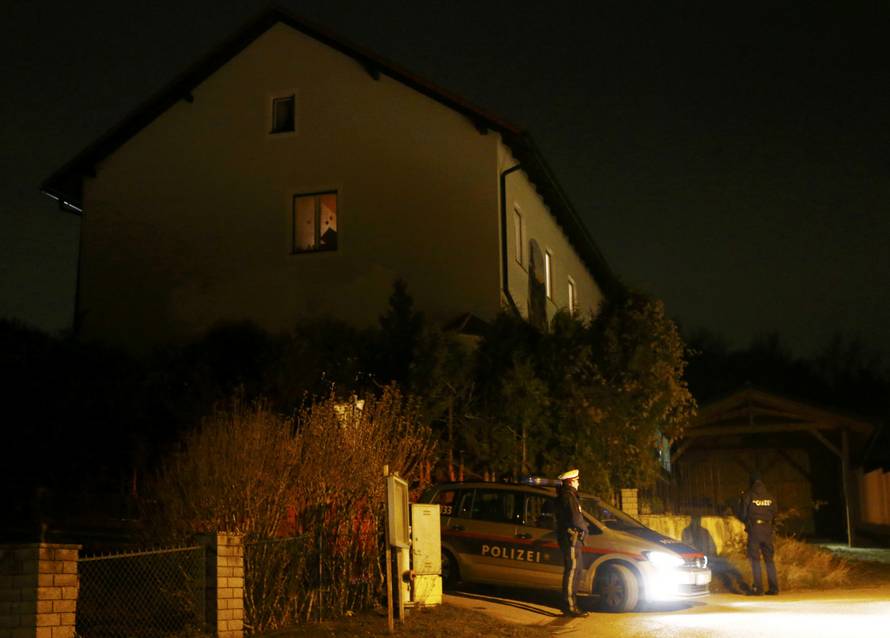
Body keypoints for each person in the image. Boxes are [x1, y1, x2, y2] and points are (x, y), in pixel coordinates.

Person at [738, 472, 779, 595]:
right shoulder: (770, 496)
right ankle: (774, 588)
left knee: (755, 560)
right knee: (769, 560)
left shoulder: (748, 496)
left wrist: (748, 522)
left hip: (754, 529)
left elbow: (743, 514)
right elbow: (775, 512)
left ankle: (758, 588)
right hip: (767, 529)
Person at [556, 468, 589, 617]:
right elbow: (576, 519)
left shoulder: (570, 496)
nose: (578, 482)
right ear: (570, 482)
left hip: (573, 539)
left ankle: (572, 603)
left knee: (576, 570)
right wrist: (584, 529)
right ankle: (569, 605)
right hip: (571, 539)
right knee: (572, 571)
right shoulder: (568, 497)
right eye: (576, 480)